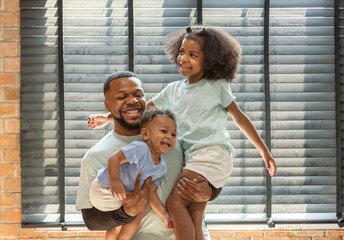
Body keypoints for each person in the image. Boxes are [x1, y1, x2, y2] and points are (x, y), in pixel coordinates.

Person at [87, 25, 278, 240]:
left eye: (192, 55)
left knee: (175, 204)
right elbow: (143, 111)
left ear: (210, 59)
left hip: (210, 154)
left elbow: (240, 118)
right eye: (181, 52)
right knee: (194, 215)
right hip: (193, 157)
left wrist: (264, 153)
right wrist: (107, 118)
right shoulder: (173, 89)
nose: (183, 58)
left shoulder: (217, 86)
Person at [76, 70, 218, 240]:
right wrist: (126, 212)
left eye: (138, 94)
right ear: (108, 106)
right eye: (122, 97)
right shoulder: (95, 157)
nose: (133, 101)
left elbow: (210, 164)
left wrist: (210, 191)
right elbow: (91, 221)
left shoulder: (174, 135)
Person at [89, 108, 177, 239]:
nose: (169, 136)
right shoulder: (141, 149)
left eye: (174, 134)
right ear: (145, 135)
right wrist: (114, 180)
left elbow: (151, 195)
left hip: (121, 196)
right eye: (164, 131)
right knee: (136, 211)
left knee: (140, 206)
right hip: (105, 188)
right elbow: (115, 159)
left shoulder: (161, 169)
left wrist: (165, 215)